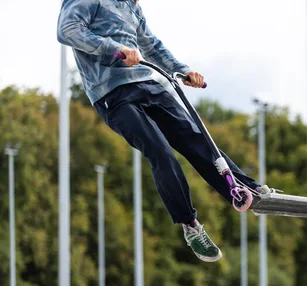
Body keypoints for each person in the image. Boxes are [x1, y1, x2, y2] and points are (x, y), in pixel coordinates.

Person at [57, 0, 272, 262]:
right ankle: (191, 226)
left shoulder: (131, 6)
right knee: (160, 151)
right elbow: (67, 30)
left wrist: (181, 69)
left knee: (196, 138)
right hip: (112, 93)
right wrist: (117, 49)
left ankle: (244, 189)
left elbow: (151, 44)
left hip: (147, 82)